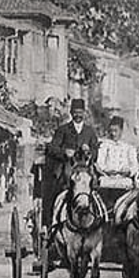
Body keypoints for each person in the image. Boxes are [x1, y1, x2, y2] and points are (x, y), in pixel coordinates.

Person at [42, 98, 99, 229]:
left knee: (94, 188)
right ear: (71, 112)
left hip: (85, 170)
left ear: (84, 113)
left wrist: (89, 151)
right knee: (53, 190)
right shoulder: (63, 130)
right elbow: (52, 148)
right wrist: (64, 152)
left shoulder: (90, 131)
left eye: (80, 112)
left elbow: (96, 152)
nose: (78, 115)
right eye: (75, 112)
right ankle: (49, 223)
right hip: (66, 170)